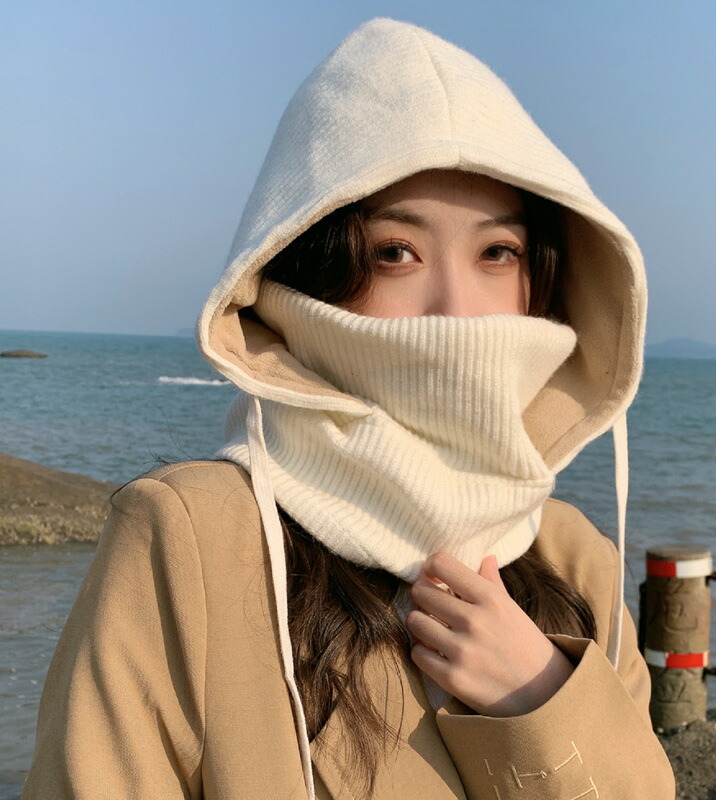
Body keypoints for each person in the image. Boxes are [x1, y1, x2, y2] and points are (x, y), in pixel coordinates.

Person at [24, 18, 675, 800]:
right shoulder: (193, 540)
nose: (457, 310)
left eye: (496, 253)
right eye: (395, 253)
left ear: (540, 279)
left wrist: (539, 699)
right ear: (310, 269)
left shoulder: (575, 558)